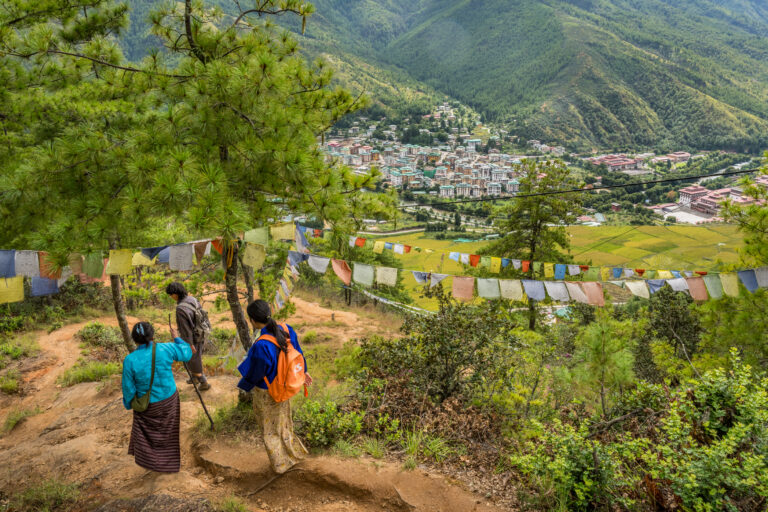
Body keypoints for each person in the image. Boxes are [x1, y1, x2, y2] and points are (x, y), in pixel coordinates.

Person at [237, 300, 313, 474]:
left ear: (253, 321)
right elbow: (298, 352)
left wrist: (244, 385)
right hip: (286, 385)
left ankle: (281, 466)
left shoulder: (261, 345)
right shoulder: (286, 329)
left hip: (267, 391)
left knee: (270, 430)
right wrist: (304, 371)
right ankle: (294, 455)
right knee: (284, 422)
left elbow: (255, 373)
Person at [121, 321, 193, 473]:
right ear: (152, 335)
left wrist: (130, 404)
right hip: (169, 399)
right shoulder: (165, 348)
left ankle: (153, 464)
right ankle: (169, 464)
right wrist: (177, 338)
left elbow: (128, 388)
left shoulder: (130, 360)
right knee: (169, 432)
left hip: (147, 406)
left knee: (148, 435)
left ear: (134, 339)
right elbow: (186, 353)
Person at [166, 282, 210, 391]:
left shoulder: (180, 309)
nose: (171, 297)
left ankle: (203, 382)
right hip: (201, 332)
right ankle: (194, 378)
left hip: (192, 338)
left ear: (175, 294)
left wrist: (189, 344)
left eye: (171, 295)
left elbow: (186, 330)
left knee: (192, 359)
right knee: (195, 358)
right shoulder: (192, 299)